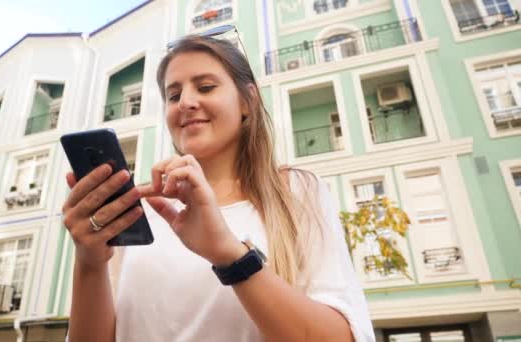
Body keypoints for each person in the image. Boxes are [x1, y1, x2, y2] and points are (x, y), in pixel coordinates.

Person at [62, 33, 375, 342]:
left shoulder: (296, 190)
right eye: (173, 95)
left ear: (248, 101)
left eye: (205, 87)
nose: (185, 102)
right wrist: (89, 262)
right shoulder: (136, 209)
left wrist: (230, 254)